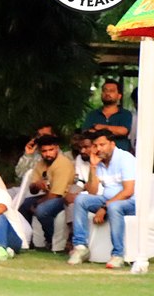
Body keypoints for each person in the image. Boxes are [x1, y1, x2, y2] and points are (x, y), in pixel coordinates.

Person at [68, 129, 136, 269]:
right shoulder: (99, 161)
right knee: (81, 199)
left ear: (112, 144)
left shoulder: (125, 159)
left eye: (102, 144)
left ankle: (118, 255)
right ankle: (81, 247)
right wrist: (93, 167)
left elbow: (128, 191)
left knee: (114, 207)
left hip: (131, 202)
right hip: (107, 200)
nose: (98, 149)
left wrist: (104, 207)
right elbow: (92, 191)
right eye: (96, 145)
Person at [18, 135, 75, 250]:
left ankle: (50, 240)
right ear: (40, 151)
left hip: (64, 197)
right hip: (49, 195)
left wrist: (36, 204)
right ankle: (28, 239)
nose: (48, 154)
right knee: (24, 205)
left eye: (51, 150)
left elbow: (56, 194)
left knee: (42, 210)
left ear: (57, 148)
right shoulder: (41, 164)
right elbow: (33, 190)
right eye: (44, 151)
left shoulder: (62, 164)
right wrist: (37, 185)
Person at [81, 79, 132, 151]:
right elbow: (86, 132)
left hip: (119, 154)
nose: (107, 93)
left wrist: (100, 127)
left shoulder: (125, 114)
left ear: (119, 96)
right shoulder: (93, 114)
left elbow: (123, 131)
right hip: (97, 153)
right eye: (105, 90)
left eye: (111, 91)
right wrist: (114, 130)